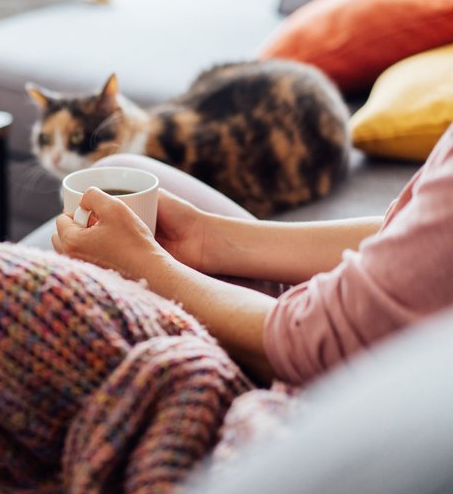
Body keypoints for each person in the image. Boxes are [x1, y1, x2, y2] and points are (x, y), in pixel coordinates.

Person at [51, 126, 453, 386]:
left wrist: (145, 271)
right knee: (121, 167)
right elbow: (414, 234)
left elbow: (315, 341)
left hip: (349, 389)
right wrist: (208, 237)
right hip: (354, 324)